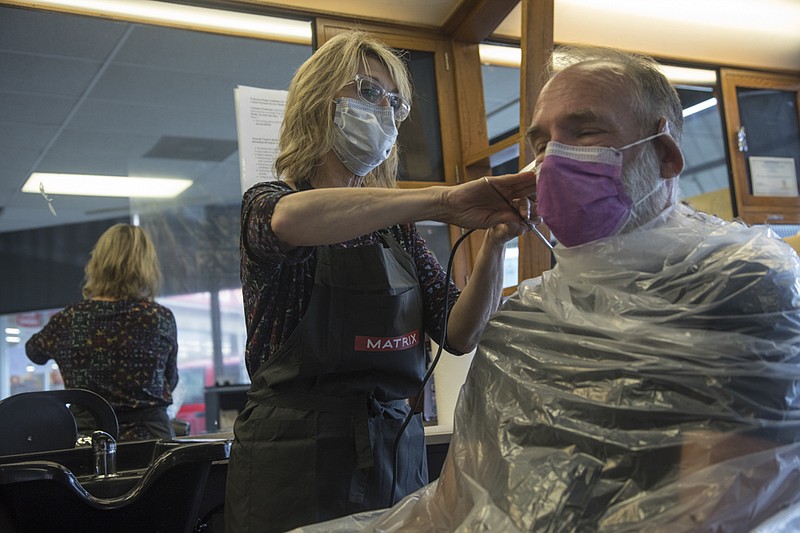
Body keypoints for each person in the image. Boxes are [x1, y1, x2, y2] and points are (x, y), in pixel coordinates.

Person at [294, 46, 800, 532]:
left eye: (585, 132)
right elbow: (456, 507)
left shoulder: (743, 283)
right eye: (541, 144)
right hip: (307, 450)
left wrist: (491, 244)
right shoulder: (527, 322)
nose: (552, 160)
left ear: (665, 155)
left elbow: (717, 508)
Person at [224, 30, 537, 533]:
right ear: (318, 100)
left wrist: (497, 243)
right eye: (368, 91)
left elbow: (459, 333)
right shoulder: (268, 202)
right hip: (296, 462)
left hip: (395, 453)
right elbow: (290, 222)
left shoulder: (396, 228)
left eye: (396, 103)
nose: (385, 111)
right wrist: (442, 201)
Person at [26, 223, 179, 441]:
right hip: (150, 440)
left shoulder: (70, 319)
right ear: (148, 267)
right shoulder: (159, 317)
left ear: (97, 263)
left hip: (89, 440)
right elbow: (169, 380)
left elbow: (34, 352)